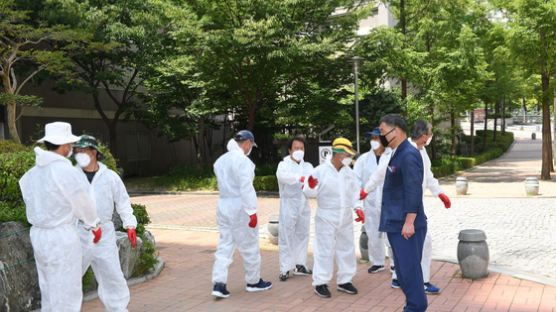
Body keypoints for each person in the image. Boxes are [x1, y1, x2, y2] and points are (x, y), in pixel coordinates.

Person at [19, 122, 101, 312]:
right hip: (61, 236)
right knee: (66, 290)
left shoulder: (30, 174)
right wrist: (93, 224)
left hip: (39, 236)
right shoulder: (65, 171)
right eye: (70, 144)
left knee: (48, 287)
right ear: (65, 146)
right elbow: (82, 202)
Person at [73, 135, 137, 311]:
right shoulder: (71, 176)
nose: (79, 154)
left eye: (83, 150)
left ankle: (118, 309)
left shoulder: (110, 177)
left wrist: (130, 224)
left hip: (104, 233)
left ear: (93, 152)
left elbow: (123, 202)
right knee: (69, 277)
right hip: (79, 232)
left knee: (112, 275)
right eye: (77, 151)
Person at [388, 120, 451, 294]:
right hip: (402, 205)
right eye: (430, 134)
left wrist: (440, 193)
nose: (430, 137)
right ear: (424, 135)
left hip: (415, 204)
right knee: (404, 242)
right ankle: (401, 277)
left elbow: (429, 176)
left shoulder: (423, 152)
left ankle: (418, 280)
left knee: (423, 242)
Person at [211, 130, 272, 298]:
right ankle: (253, 282)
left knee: (225, 245)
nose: (250, 148)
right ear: (247, 143)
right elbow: (246, 188)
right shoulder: (243, 162)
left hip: (223, 205)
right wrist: (252, 211)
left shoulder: (220, 161)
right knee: (250, 244)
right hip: (240, 207)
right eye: (251, 145)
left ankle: (219, 284)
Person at [377, 114, 427, 312]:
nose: (381, 137)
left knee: (410, 274)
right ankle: (412, 305)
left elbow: (414, 188)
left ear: (395, 130)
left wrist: (409, 221)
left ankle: (415, 307)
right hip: (397, 225)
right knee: (404, 275)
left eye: (383, 132)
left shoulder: (408, 154)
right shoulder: (398, 153)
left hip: (406, 227)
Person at [303, 138, 365, 298]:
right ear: (338, 154)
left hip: (344, 216)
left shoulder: (349, 173)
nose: (349, 158)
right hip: (326, 215)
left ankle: (345, 280)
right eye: (347, 154)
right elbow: (309, 193)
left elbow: (354, 193)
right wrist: (309, 185)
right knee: (324, 249)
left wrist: (358, 208)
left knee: (347, 248)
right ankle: (320, 282)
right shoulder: (320, 171)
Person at [276, 136, 314, 281]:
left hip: (304, 203)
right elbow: (283, 177)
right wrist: (300, 178)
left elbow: (313, 183)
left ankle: (300, 264)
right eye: (296, 148)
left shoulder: (308, 166)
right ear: (290, 150)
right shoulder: (283, 164)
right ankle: (285, 268)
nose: (299, 151)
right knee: (286, 235)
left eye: (302, 148)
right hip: (289, 203)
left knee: (303, 234)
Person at [353, 128, 388, 274]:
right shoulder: (363, 160)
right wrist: (357, 206)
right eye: (372, 138)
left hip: (389, 201)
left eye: (377, 138)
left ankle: (395, 264)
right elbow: (355, 182)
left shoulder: (391, 155)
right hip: (370, 202)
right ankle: (378, 262)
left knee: (391, 234)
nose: (374, 141)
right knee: (373, 233)